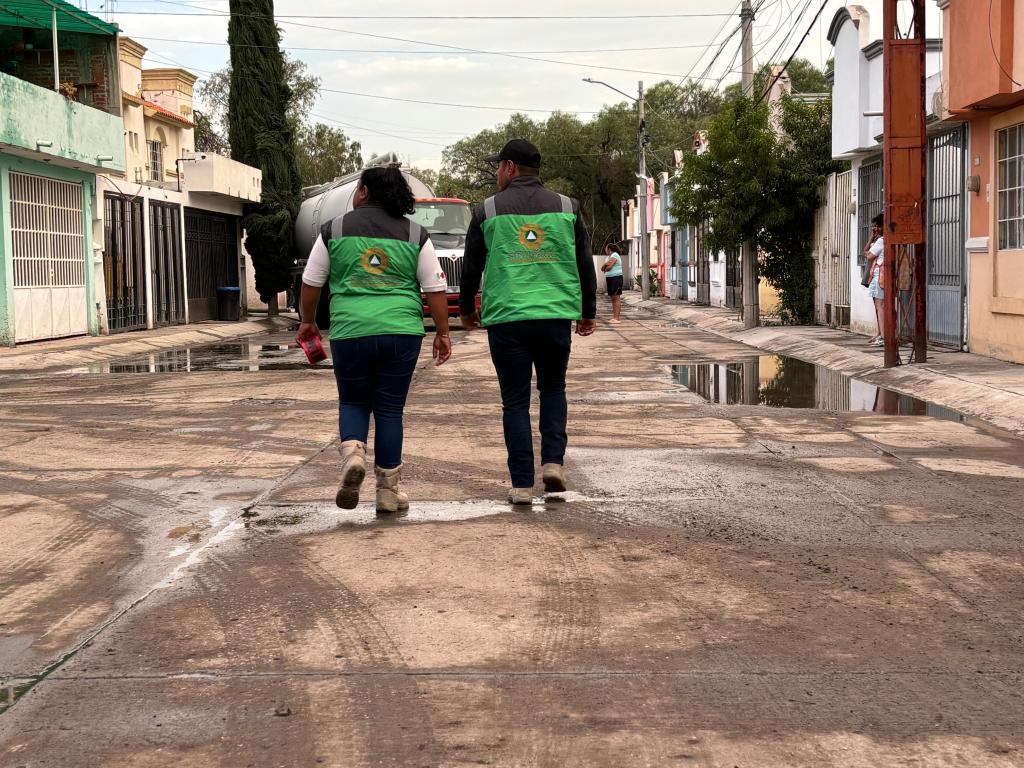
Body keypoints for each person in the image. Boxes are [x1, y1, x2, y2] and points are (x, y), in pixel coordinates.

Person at [296, 166, 453, 513]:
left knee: (353, 402)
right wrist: (442, 332)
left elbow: (312, 282)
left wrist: (308, 322)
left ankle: (353, 454)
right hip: (401, 333)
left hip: (351, 332)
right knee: (389, 411)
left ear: (364, 192)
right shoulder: (415, 234)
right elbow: (434, 288)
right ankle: (387, 492)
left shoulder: (334, 229)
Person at [459, 139, 598, 505]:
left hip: (507, 319)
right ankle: (553, 463)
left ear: (509, 167)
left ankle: (521, 484)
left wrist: (467, 309)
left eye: (497, 167)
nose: (496, 174)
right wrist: (588, 312)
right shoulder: (568, 207)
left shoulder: (486, 210)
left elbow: (472, 263)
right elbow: (585, 262)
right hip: (554, 317)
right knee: (553, 389)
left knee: (515, 402)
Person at [865, 212, 885, 347]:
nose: (876, 228)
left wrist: (872, 239)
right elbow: (867, 251)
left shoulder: (881, 241)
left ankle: (883, 336)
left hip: (880, 276)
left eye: (877, 226)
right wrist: (872, 237)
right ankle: (880, 333)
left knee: (880, 306)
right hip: (880, 275)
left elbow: (868, 255)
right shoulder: (882, 240)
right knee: (880, 306)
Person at [600, 243, 624, 324]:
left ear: (609, 249)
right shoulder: (608, 257)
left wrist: (606, 266)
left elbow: (609, 268)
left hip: (616, 278)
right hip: (610, 278)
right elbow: (602, 268)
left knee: (616, 297)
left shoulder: (615, 255)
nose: (605, 250)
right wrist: (605, 265)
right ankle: (614, 317)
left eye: (606, 248)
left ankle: (617, 318)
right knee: (613, 298)